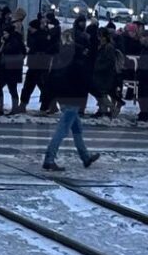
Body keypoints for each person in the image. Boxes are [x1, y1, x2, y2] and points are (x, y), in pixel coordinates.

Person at [42, 30, 101, 172]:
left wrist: (49, 95)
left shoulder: (62, 55)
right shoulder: (79, 59)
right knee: (62, 130)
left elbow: (53, 75)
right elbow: (86, 80)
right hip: (73, 97)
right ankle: (49, 159)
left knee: (76, 129)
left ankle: (85, 157)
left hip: (62, 96)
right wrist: (100, 95)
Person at [0, 21, 26, 115]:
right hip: (8, 69)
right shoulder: (11, 41)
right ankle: (2, 108)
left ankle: (5, 108)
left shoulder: (13, 42)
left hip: (10, 69)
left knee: (9, 88)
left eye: (5, 33)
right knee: (3, 87)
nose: (4, 35)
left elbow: (6, 53)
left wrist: (3, 45)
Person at [90, 29, 120, 118]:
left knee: (100, 92)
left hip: (105, 75)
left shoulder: (108, 47)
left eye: (101, 36)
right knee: (98, 92)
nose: (99, 38)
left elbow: (110, 62)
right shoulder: (103, 46)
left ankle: (110, 108)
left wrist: (99, 68)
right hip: (101, 73)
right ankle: (103, 109)